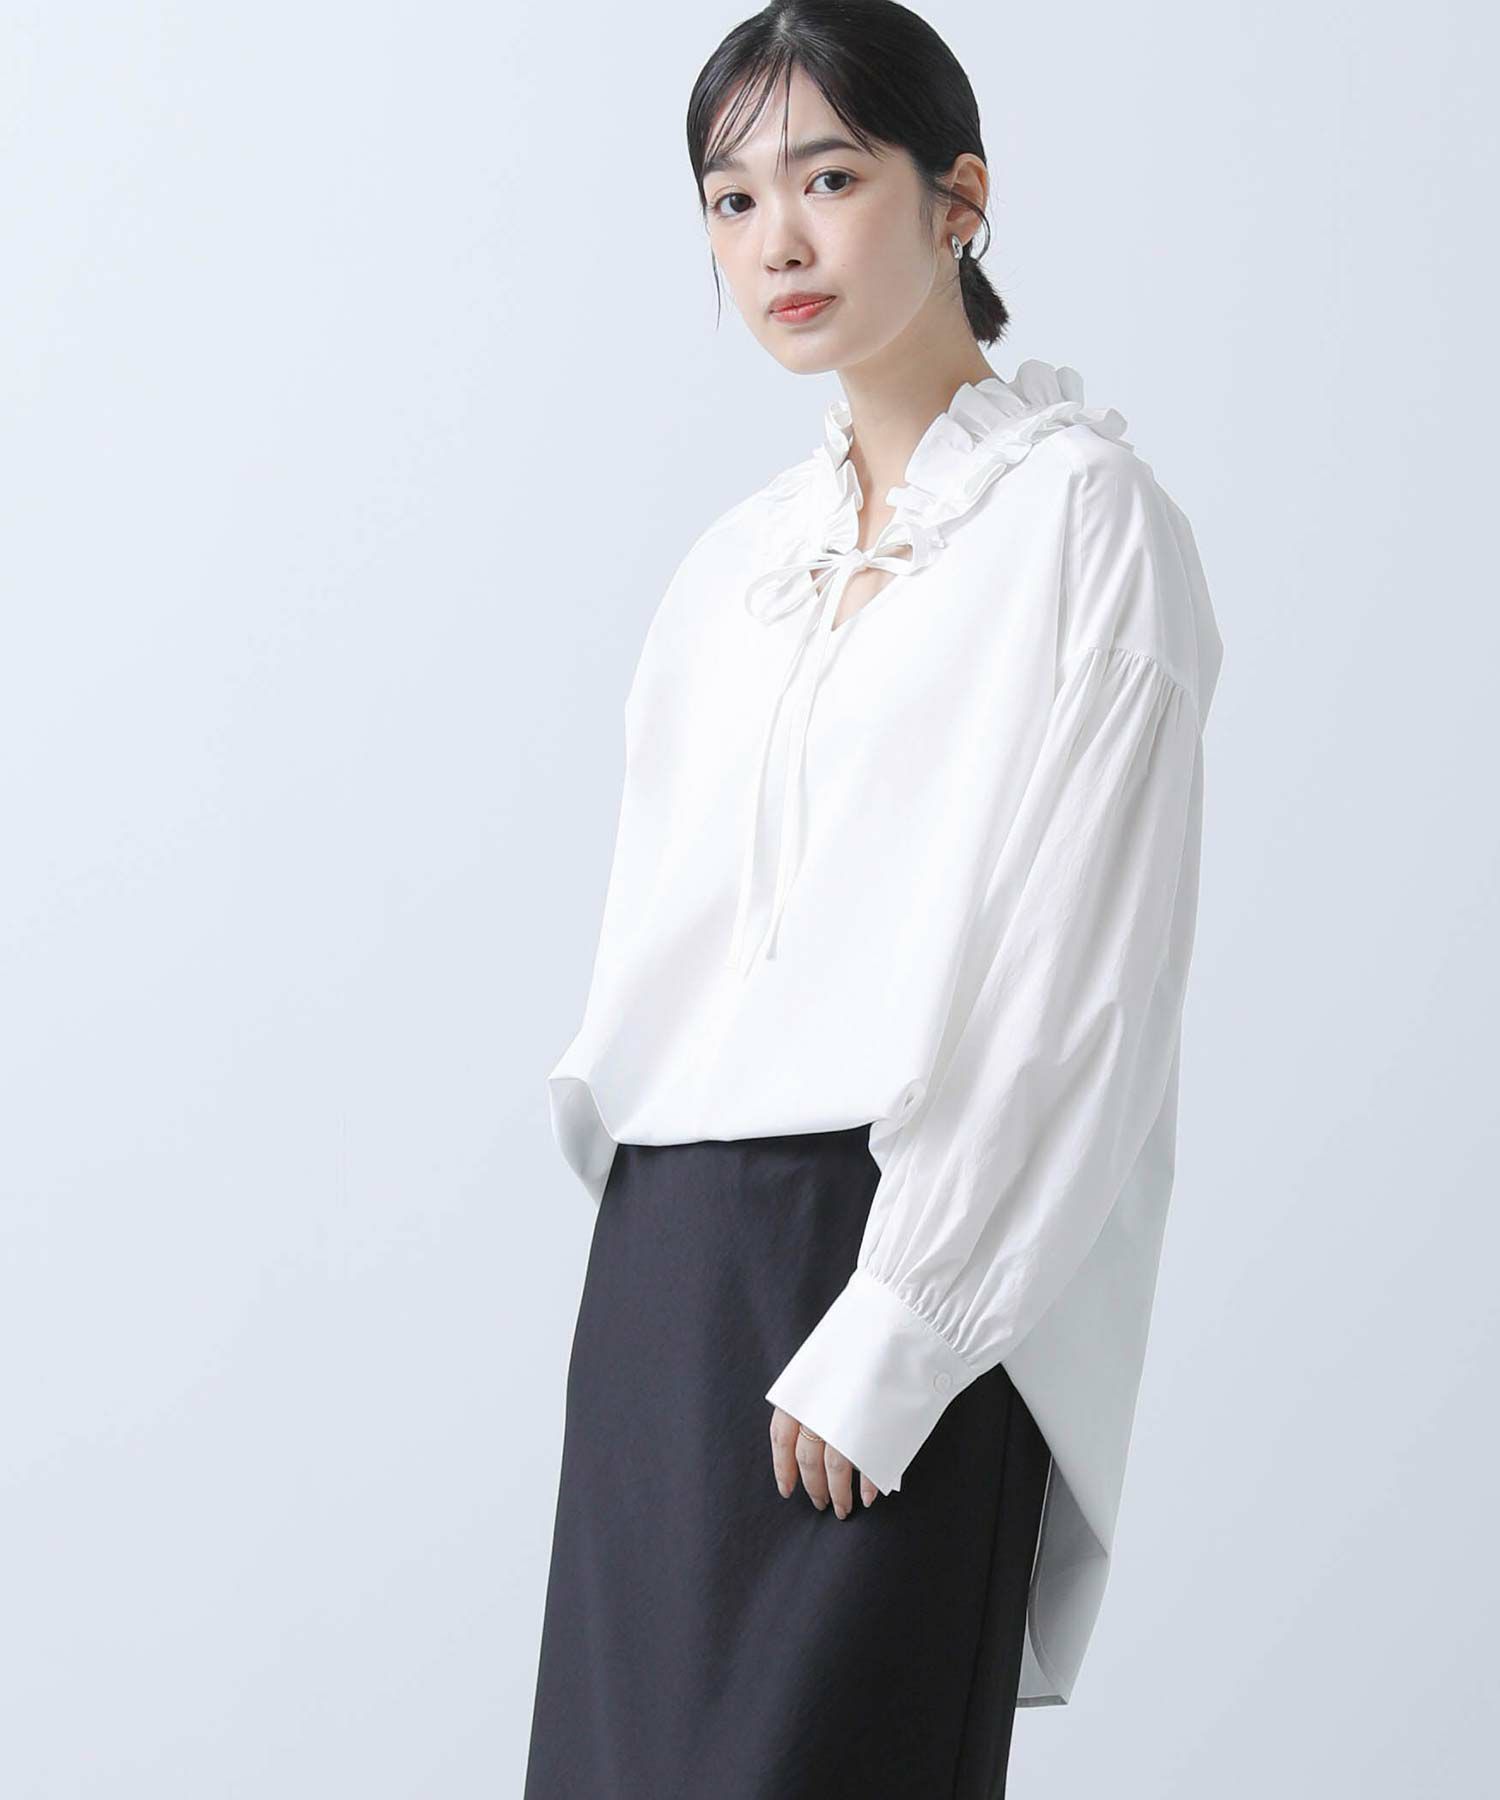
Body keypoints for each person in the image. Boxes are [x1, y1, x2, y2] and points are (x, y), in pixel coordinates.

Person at [524, 3, 1225, 1794]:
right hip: (672, 1271)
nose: (779, 239)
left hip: (900, 1243)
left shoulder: (1084, 524)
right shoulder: (733, 570)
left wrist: (909, 1323)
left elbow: (1083, 983)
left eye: (829, 179)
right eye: (732, 198)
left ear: (957, 197)